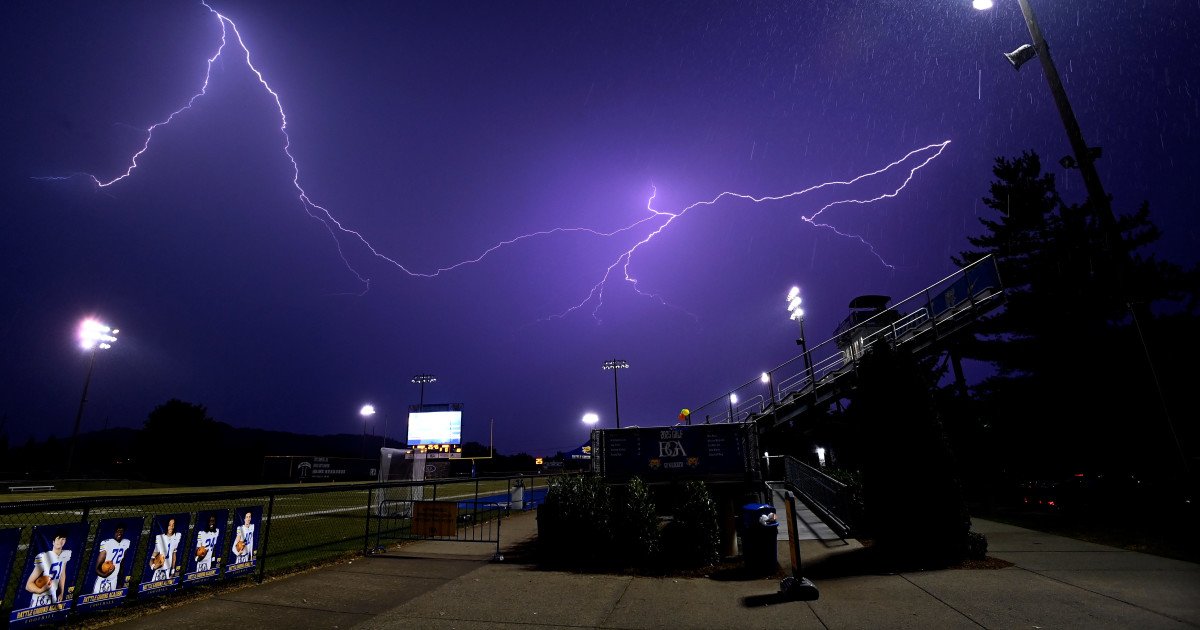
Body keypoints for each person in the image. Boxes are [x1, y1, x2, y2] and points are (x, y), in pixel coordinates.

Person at [25, 529, 71, 607]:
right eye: (58, 538)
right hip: (39, 598)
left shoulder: (65, 555)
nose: (60, 541)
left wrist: (62, 592)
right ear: (53, 542)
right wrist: (41, 590)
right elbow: (28, 585)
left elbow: (62, 575)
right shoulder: (44, 557)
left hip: (52, 596)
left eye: (63, 539)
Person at [92, 524, 130, 593]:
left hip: (114, 578)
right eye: (118, 531)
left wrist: (120, 580)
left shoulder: (126, 543)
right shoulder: (107, 543)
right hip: (103, 578)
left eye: (122, 531)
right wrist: (105, 575)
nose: (120, 533)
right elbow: (97, 568)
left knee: (111, 600)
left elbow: (122, 563)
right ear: (115, 532)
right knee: (96, 599)